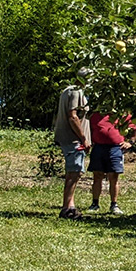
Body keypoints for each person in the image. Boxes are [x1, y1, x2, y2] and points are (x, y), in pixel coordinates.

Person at [54, 82, 91, 219]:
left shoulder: (67, 91)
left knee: (75, 173)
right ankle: (66, 209)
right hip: (74, 139)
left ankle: (71, 206)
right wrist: (83, 138)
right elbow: (73, 116)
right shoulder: (76, 92)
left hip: (71, 139)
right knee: (74, 173)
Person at [87, 108, 135, 214]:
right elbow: (88, 129)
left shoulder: (121, 115)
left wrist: (130, 142)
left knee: (113, 177)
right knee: (97, 175)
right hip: (98, 147)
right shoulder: (95, 115)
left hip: (115, 148)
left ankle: (114, 204)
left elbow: (135, 128)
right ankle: (95, 203)